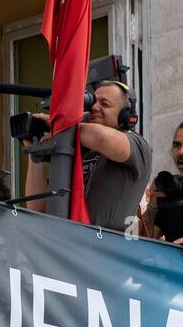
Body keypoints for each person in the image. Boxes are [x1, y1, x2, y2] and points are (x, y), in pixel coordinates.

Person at [24, 80, 151, 232]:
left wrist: (61, 127)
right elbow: (38, 208)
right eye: (92, 103)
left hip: (104, 251)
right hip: (66, 246)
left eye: (105, 104)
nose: (94, 108)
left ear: (126, 116)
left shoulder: (138, 145)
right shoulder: (76, 148)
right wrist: (34, 152)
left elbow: (102, 138)